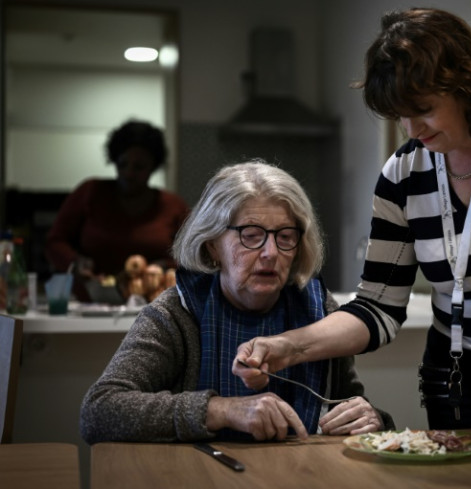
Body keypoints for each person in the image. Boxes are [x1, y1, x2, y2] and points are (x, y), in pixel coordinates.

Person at [236, 8, 471, 430]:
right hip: (457, 381)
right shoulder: (403, 175)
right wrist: (287, 347)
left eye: (423, 109)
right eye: (399, 115)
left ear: (468, 85)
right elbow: (377, 307)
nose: (411, 129)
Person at [79, 160, 393, 443]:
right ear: (213, 244)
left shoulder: (319, 311)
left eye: (285, 236)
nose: (271, 252)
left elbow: (349, 406)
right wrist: (221, 410)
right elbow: (99, 411)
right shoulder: (176, 312)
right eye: (251, 234)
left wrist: (375, 419)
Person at [45, 119, 190, 302]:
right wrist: (75, 262)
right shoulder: (90, 193)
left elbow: (194, 255)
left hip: (153, 307)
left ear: (153, 167)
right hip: (90, 303)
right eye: (122, 164)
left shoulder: (172, 206)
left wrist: (164, 266)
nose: (128, 173)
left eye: (138, 167)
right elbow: (55, 242)